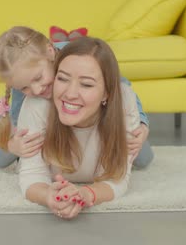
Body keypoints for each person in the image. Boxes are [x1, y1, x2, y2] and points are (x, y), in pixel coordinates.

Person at [0, 26, 154, 169]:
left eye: (38, 78)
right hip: (52, 121)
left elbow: (122, 88)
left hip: (92, 115)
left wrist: (142, 123)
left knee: (143, 157)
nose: (37, 90)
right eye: (24, 87)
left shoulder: (80, 56)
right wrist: (14, 146)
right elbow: (21, 123)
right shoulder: (24, 84)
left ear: (50, 52)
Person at [18, 37, 138, 219]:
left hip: (121, 124)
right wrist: (48, 195)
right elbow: (31, 175)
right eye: (63, 79)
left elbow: (118, 179)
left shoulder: (125, 101)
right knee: (2, 152)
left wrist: (86, 194)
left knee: (143, 154)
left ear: (107, 92)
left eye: (87, 84)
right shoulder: (37, 104)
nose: (70, 94)